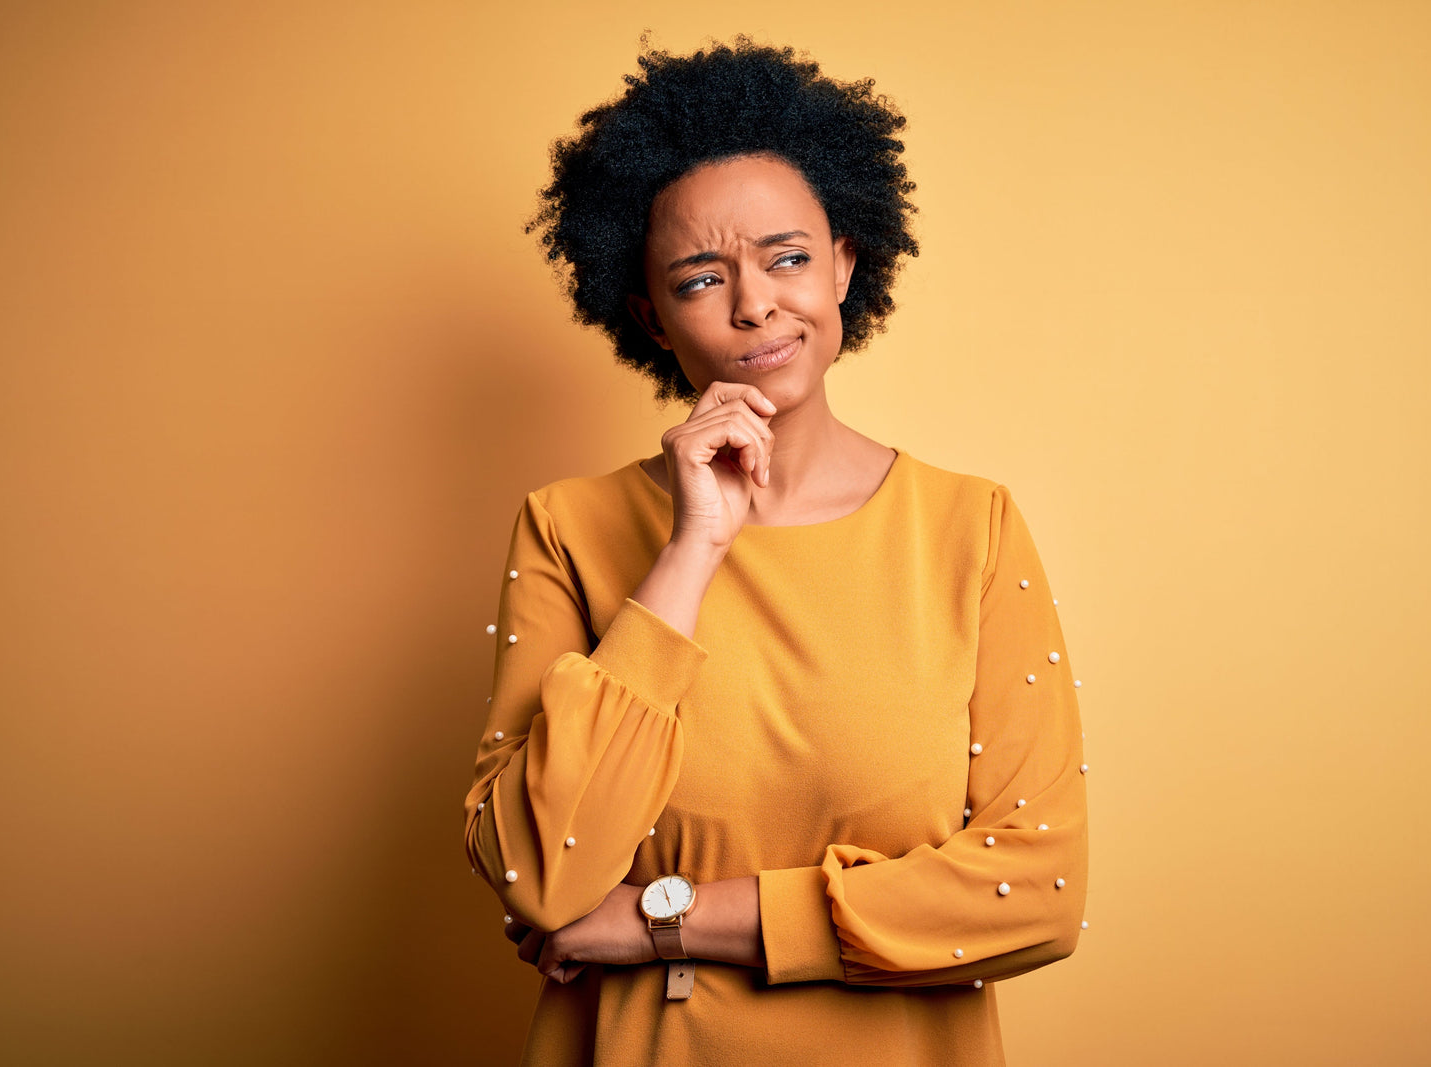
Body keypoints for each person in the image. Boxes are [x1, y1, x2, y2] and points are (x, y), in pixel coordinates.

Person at [463, 34, 1088, 1066]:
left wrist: (658, 918)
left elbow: (1036, 891)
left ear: (845, 259)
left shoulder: (969, 528)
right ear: (650, 317)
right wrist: (691, 548)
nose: (755, 303)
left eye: (787, 257)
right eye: (700, 278)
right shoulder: (567, 529)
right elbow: (540, 872)